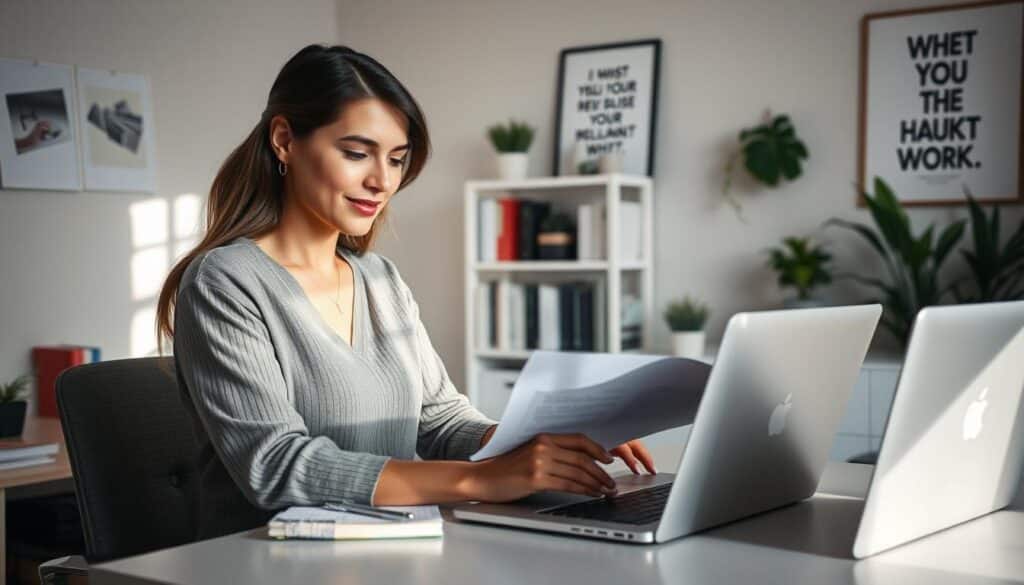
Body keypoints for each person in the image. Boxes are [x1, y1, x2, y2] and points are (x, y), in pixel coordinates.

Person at [155, 44, 655, 540]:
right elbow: (276, 465)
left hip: (387, 549)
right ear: (284, 140)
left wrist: (544, 446)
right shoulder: (224, 281)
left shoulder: (380, 279)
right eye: (356, 153)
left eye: (396, 160)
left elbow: (439, 421)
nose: (381, 180)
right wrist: (481, 478)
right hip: (264, 562)